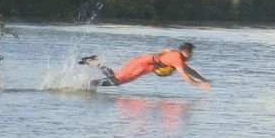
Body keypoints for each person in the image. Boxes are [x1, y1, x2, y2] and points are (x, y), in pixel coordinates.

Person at [78, 42, 211, 91]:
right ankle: (84, 84)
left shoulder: (177, 57)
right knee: (117, 80)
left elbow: (189, 71)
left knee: (116, 77)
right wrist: (199, 85)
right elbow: (185, 76)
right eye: (191, 54)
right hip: (143, 64)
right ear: (187, 53)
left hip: (144, 63)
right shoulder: (177, 59)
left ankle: (94, 63)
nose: (192, 57)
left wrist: (203, 79)